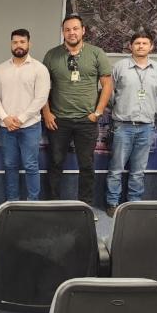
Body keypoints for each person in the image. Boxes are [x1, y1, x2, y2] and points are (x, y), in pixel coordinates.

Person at [42, 13, 112, 210]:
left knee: (87, 166)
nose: (71, 32)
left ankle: (85, 207)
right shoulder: (51, 55)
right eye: (67, 29)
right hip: (58, 120)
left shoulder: (97, 53)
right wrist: (46, 113)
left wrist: (97, 113)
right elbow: (42, 87)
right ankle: (52, 205)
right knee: (55, 163)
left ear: (83, 31)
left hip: (86, 120)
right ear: (63, 32)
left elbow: (107, 85)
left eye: (75, 29)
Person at [104, 31, 157, 217]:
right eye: (137, 43)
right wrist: (120, 110)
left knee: (138, 171)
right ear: (131, 46)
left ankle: (133, 202)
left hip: (146, 127)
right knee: (116, 169)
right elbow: (110, 94)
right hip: (123, 126)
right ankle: (112, 202)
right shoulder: (120, 67)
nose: (140, 46)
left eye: (144, 43)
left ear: (151, 46)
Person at [0, 28, 50, 202]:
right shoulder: (0, 69)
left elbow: (41, 98)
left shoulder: (40, 69)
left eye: (22, 42)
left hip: (30, 127)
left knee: (31, 166)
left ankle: (33, 203)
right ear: (11, 44)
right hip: (6, 127)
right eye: (15, 42)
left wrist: (21, 119)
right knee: (10, 166)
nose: (19, 45)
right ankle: (12, 202)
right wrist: (5, 118)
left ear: (29, 44)